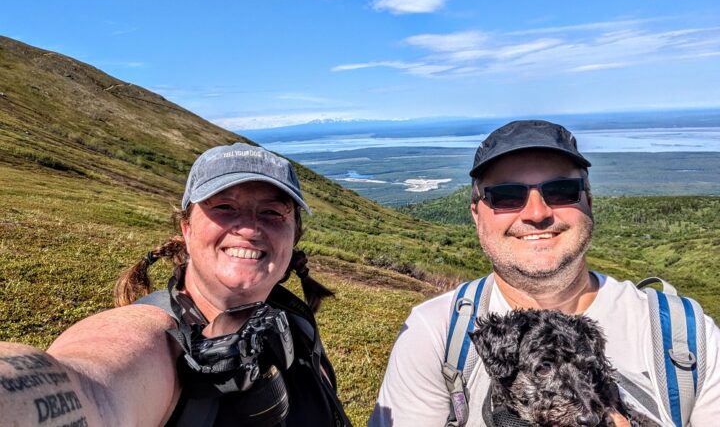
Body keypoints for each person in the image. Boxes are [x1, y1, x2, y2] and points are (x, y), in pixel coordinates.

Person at [369, 120, 720, 426]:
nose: (537, 212)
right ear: (476, 214)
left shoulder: (685, 335)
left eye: (561, 190)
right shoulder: (435, 335)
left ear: (589, 202)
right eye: (507, 196)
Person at [0, 143, 351, 426]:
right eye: (225, 207)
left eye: (273, 212)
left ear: (293, 235)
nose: (249, 228)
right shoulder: (154, 339)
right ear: (186, 230)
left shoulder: (291, 321)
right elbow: (95, 390)